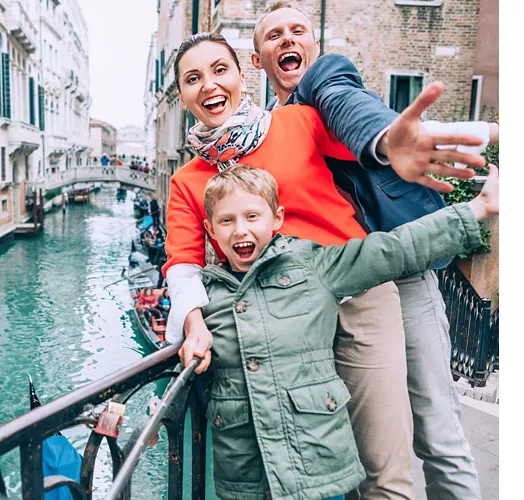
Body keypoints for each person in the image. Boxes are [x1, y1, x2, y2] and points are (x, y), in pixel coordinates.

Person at [163, 32, 494, 500]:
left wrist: (410, 140)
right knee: (321, 463)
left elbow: (373, 140)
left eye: (220, 70)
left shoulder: (297, 122)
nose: (209, 85)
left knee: (384, 465)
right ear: (182, 95)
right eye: (193, 79)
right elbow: (183, 263)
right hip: (279, 318)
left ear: (243, 74)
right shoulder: (187, 180)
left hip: (355, 293)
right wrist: (193, 322)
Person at [249, 2, 497, 497]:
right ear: (258, 59)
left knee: (437, 435)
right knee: (366, 448)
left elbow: (354, 109)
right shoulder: (265, 128)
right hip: (327, 294)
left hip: (399, 274)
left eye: (298, 30)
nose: (288, 40)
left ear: (314, 45)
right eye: (274, 35)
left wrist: (387, 140)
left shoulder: (325, 79)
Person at [198, 164, 498, 500]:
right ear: (211, 228)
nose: (240, 230)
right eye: (227, 221)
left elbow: (392, 250)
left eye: (252, 217)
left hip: (319, 468)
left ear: (277, 219)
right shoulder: (204, 298)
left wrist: (477, 209)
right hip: (246, 481)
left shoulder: (313, 265)